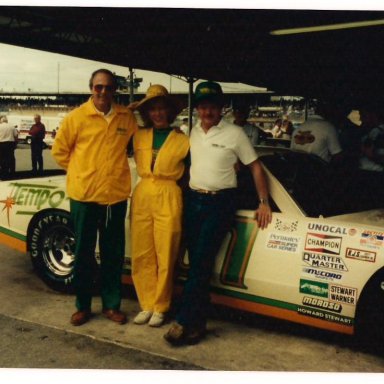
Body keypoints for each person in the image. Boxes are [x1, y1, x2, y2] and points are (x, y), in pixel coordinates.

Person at [163, 81, 272, 346]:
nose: (207, 112)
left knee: (200, 263)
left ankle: (183, 320)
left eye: (212, 107)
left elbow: (256, 167)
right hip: (193, 200)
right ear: (197, 108)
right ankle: (198, 324)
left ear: (221, 108)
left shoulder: (235, 133)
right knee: (197, 262)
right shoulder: (192, 132)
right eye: (203, 107)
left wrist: (263, 202)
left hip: (220, 203)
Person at [52, 68, 138, 326]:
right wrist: (81, 174)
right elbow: (60, 152)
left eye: (108, 87)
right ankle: (83, 305)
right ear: (91, 88)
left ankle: (111, 305)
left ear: (115, 91)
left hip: (115, 197)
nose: (103, 92)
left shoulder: (126, 118)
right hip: (84, 197)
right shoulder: (76, 117)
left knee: (113, 253)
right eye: (98, 87)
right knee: (84, 252)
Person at [130, 84, 189, 327]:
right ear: (147, 113)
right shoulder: (138, 135)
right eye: (152, 109)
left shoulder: (183, 140)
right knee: (142, 252)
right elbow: (116, 123)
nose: (158, 113)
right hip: (143, 192)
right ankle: (146, 304)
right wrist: (130, 107)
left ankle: (161, 306)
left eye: (162, 108)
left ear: (170, 111)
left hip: (168, 193)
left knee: (166, 252)